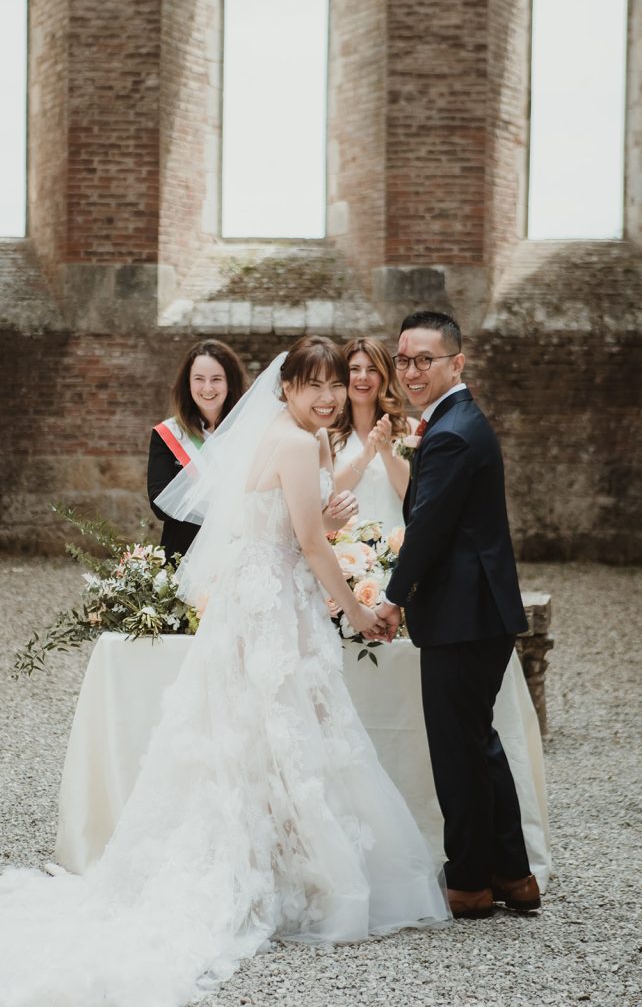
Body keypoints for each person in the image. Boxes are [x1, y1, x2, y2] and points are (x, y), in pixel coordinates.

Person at [0, 337, 449, 1007]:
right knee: (283, 725)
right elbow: (303, 541)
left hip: (261, 596)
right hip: (273, 603)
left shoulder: (283, 433)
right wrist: (359, 615)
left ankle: (271, 857)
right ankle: (282, 869)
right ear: (287, 387)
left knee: (263, 730)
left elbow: (281, 520)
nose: (327, 397)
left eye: (335, 386)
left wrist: (323, 514)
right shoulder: (296, 441)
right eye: (313, 385)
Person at [369, 310, 542, 920]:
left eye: (425, 360)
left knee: (457, 750)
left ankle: (468, 883)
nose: (411, 371)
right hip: (479, 611)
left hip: (464, 615)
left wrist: (390, 600)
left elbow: (427, 532)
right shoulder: (454, 421)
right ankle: (512, 875)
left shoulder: (449, 432)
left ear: (456, 363)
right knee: (478, 743)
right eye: (404, 359)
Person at [147, 339, 249, 559]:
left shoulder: (249, 431)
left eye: (216, 379)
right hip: (184, 552)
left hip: (239, 550)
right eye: (199, 379)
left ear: (230, 382)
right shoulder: (168, 434)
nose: (208, 388)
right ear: (188, 384)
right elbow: (160, 504)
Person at [330, 337, 415, 531]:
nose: (363, 377)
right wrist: (365, 456)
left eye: (372, 369)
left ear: (384, 376)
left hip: (398, 550)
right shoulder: (326, 433)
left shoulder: (408, 429)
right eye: (354, 369)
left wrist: (386, 450)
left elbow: (414, 500)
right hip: (345, 552)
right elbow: (325, 500)